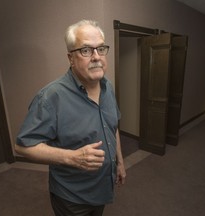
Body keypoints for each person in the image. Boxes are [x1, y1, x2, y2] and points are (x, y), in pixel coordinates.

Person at [15, 19, 126, 216]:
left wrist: (120, 162)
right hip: (72, 196)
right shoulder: (51, 97)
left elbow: (113, 127)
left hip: (103, 186)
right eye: (86, 50)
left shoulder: (108, 87)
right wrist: (72, 157)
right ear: (71, 58)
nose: (96, 57)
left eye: (101, 48)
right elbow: (23, 146)